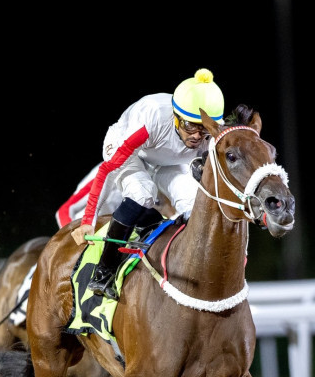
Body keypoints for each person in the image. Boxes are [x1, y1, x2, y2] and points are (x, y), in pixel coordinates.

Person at [58, 68, 225, 301]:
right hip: (130, 150)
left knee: (192, 202)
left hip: (166, 160)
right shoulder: (153, 118)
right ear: (176, 117)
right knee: (143, 192)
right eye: (189, 126)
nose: (197, 136)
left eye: (205, 128)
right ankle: (104, 271)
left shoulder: (213, 135)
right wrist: (88, 221)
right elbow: (106, 170)